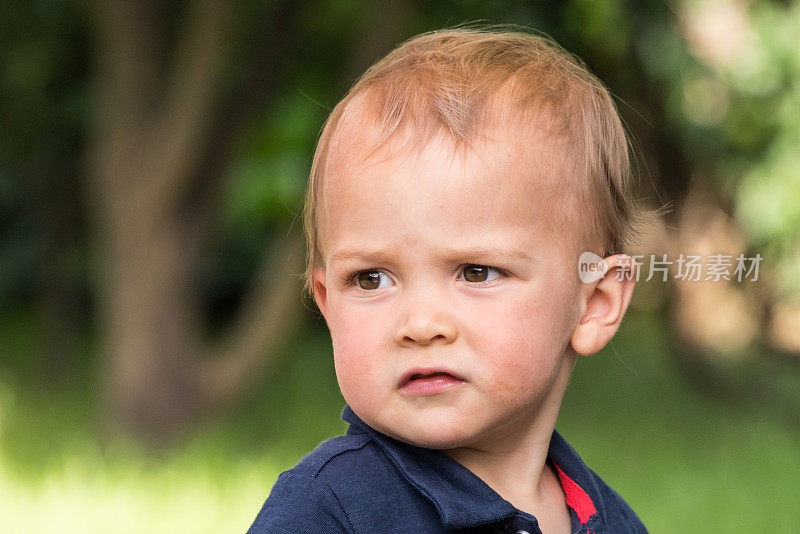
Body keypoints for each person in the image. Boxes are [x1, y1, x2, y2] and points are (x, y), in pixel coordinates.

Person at [248, 25, 650, 534]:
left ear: (594, 303)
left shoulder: (610, 521)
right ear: (328, 306)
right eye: (371, 279)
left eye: (476, 272)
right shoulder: (333, 509)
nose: (420, 324)